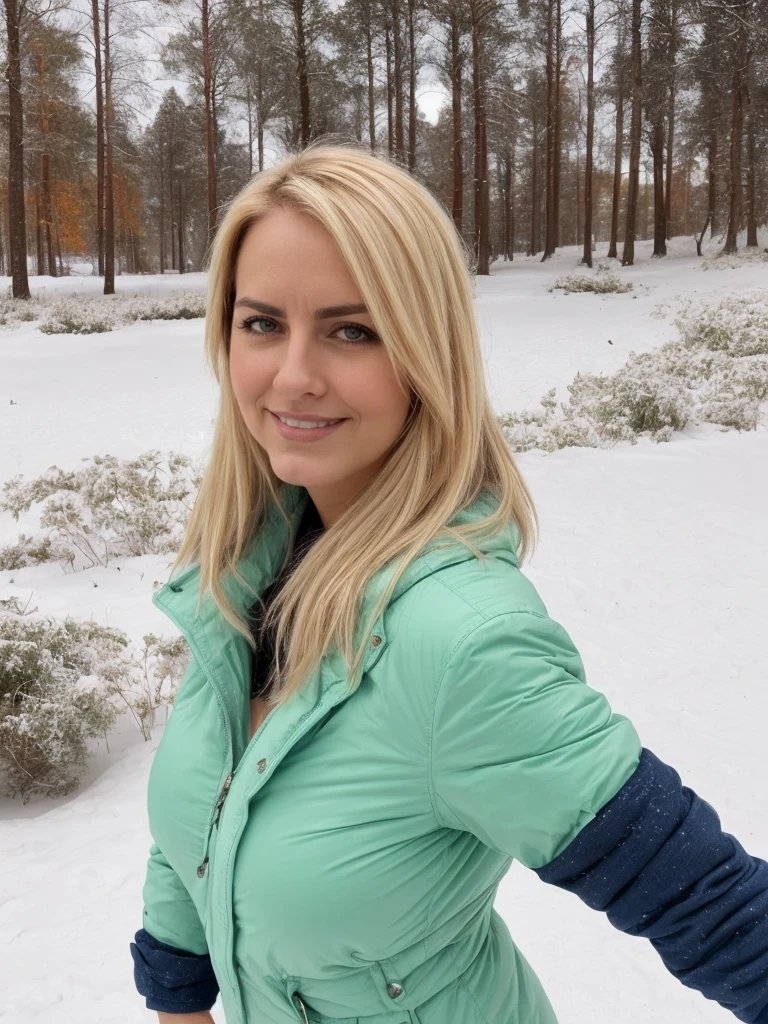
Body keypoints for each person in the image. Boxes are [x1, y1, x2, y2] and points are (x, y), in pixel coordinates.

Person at [130, 143, 768, 1024]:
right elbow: (208, 804)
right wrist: (177, 996)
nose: (293, 376)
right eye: (262, 323)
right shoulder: (246, 571)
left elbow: (717, 909)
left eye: (353, 331)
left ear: (425, 353)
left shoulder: (464, 644)